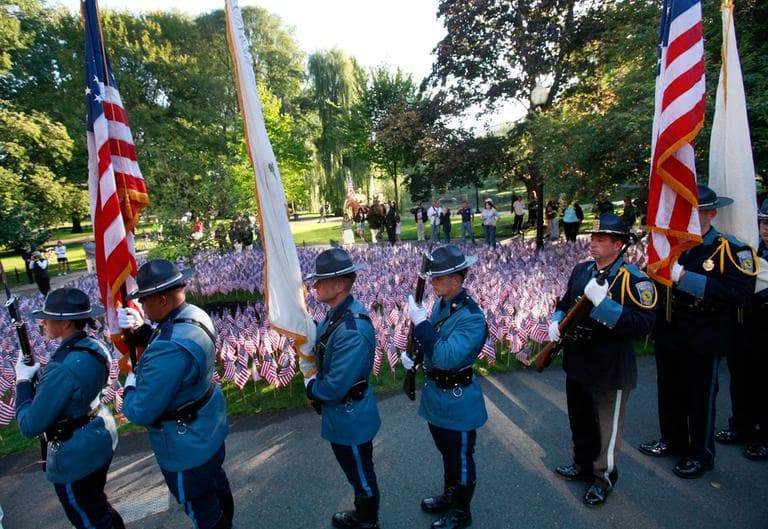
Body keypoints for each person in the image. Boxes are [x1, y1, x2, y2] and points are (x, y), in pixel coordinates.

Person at [639, 185, 757, 479]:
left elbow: (740, 294)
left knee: (700, 396)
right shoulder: (673, 246)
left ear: (712, 213)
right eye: (686, 212)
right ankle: (672, 440)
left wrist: (684, 277)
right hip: (671, 329)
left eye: (698, 213)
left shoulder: (730, 249)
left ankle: (700, 454)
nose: (691, 219)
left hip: (705, 332)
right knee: (669, 390)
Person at [548, 213, 656, 506]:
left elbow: (643, 324)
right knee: (580, 421)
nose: (592, 244)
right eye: (592, 238)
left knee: (606, 430)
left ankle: (602, 478)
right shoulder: (582, 270)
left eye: (600, 239)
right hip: (578, 360)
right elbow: (565, 302)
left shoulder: (634, 279)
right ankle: (582, 464)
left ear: (618, 245)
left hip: (610, 366)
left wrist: (604, 305)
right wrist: (556, 321)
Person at [118, 259, 233, 529]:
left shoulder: (168, 346)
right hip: (208, 427)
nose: (142, 307)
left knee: (201, 507)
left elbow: (140, 410)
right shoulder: (194, 313)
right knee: (216, 487)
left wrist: (130, 384)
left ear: (162, 300)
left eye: (145, 301)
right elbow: (178, 341)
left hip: (186, 444)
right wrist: (145, 332)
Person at [14, 288, 123, 529]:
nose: (42, 322)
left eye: (47, 317)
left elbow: (29, 425)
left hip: (76, 454)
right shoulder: (93, 345)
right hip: (98, 432)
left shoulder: (63, 367)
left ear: (64, 324)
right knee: (96, 505)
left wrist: (22, 381)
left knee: (89, 519)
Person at [401, 245, 487, 529]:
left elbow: (449, 357)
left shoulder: (472, 318)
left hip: (458, 400)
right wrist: (415, 358)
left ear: (458, 280)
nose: (433, 283)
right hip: (438, 396)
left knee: (461, 457)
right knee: (447, 453)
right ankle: (451, 495)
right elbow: (433, 344)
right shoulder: (442, 304)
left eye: (439, 278)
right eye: (433, 277)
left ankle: (462, 511)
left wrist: (421, 324)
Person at [304, 248, 381, 529]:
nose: (315, 286)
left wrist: (311, 386)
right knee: (355, 472)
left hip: (350, 415)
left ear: (338, 285)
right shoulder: (337, 313)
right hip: (345, 414)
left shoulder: (350, 328)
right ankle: (362, 514)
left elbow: (335, 386)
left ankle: (368, 521)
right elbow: (325, 341)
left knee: (361, 474)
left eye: (320, 281)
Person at [714, 198, 768, 460]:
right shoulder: (751, 250)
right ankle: (741, 424)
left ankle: (763, 435)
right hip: (743, 324)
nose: (765, 228)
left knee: (764, 381)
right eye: (762, 222)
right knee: (741, 376)